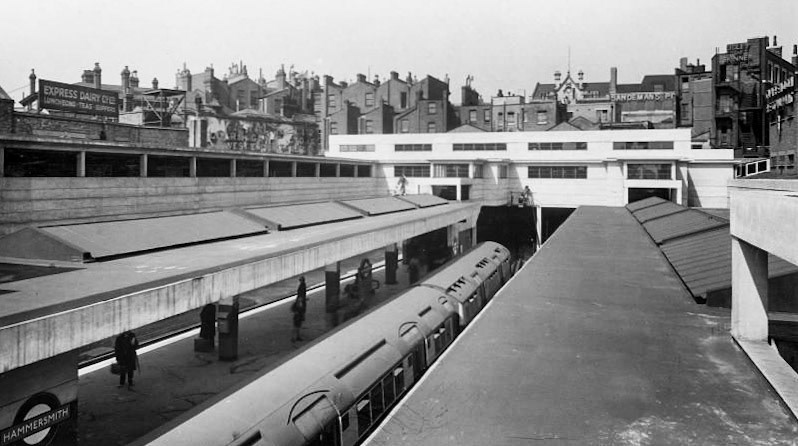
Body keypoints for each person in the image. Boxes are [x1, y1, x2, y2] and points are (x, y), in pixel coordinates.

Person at [291, 276, 308, 342]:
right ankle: (294, 337)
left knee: (297, 326)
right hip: (298, 316)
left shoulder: (299, 302)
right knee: (296, 326)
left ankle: (296, 336)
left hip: (298, 315)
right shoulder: (299, 303)